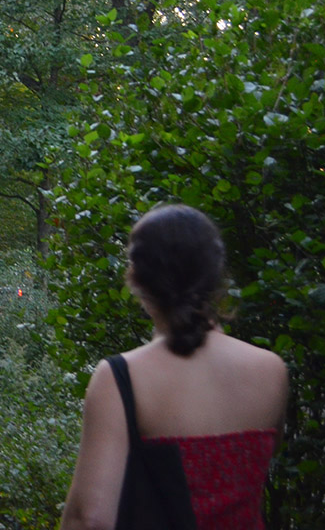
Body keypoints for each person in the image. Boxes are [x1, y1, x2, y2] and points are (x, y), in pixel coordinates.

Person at [60, 204, 288, 530]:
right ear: (216, 272)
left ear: (136, 279)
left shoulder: (121, 379)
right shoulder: (271, 370)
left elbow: (91, 520)